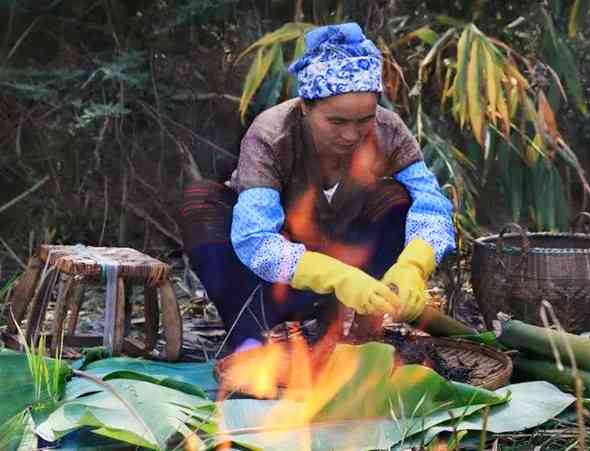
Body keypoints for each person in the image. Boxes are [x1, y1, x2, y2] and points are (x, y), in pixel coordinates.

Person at [181, 22, 455, 354]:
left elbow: (431, 202)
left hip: (352, 261)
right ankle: (248, 338)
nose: (352, 136)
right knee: (200, 202)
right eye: (337, 122)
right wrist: (334, 275)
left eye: (364, 120)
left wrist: (413, 264)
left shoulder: (388, 129)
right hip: (274, 275)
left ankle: (356, 325)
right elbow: (255, 240)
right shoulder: (271, 134)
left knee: (397, 198)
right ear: (305, 108)